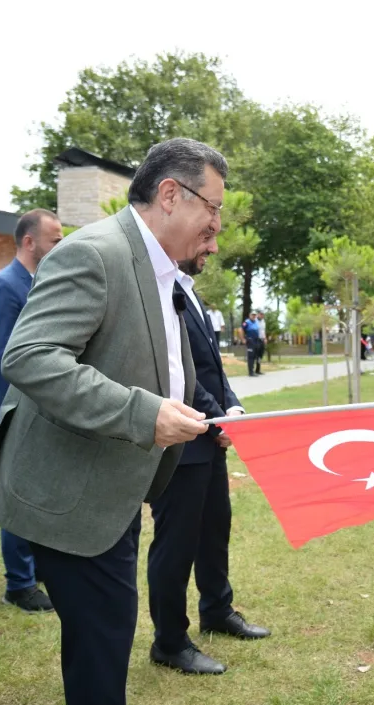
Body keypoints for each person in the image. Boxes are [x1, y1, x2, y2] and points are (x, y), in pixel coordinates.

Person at [0, 137, 220, 705]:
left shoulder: (161, 269)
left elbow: (150, 360)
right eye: (212, 207)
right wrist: (144, 413)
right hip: (69, 494)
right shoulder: (95, 253)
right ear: (170, 194)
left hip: (115, 484)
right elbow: (30, 356)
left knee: (106, 632)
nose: (217, 224)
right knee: (103, 641)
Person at [147, 248, 270, 677]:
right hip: (181, 439)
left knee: (215, 528)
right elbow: (175, 371)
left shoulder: (189, 291)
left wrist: (231, 408)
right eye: (203, 237)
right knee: (175, 545)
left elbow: (210, 367)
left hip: (210, 435)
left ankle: (217, 609)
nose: (210, 247)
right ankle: (169, 641)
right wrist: (216, 417)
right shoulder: (159, 293)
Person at [0, 208, 63, 613]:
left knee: (42, 494)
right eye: (55, 240)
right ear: (30, 242)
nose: (60, 246)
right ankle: (19, 583)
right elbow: (4, 361)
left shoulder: (40, 284)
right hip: (17, 412)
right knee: (17, 496)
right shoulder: (3, 287)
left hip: (44, 411)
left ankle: (39, 568)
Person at [242, 311, 261, 376]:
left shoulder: (256, 322)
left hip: (256, 340)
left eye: (254, 315)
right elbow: (241, 330)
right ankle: (250, 372)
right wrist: (243, 339)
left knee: (255, 356)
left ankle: (254, 370)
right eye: (252, 315)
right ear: (250, 315)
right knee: (251, 356)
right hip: (250, 340)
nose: (253, 316)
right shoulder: (247, 322)